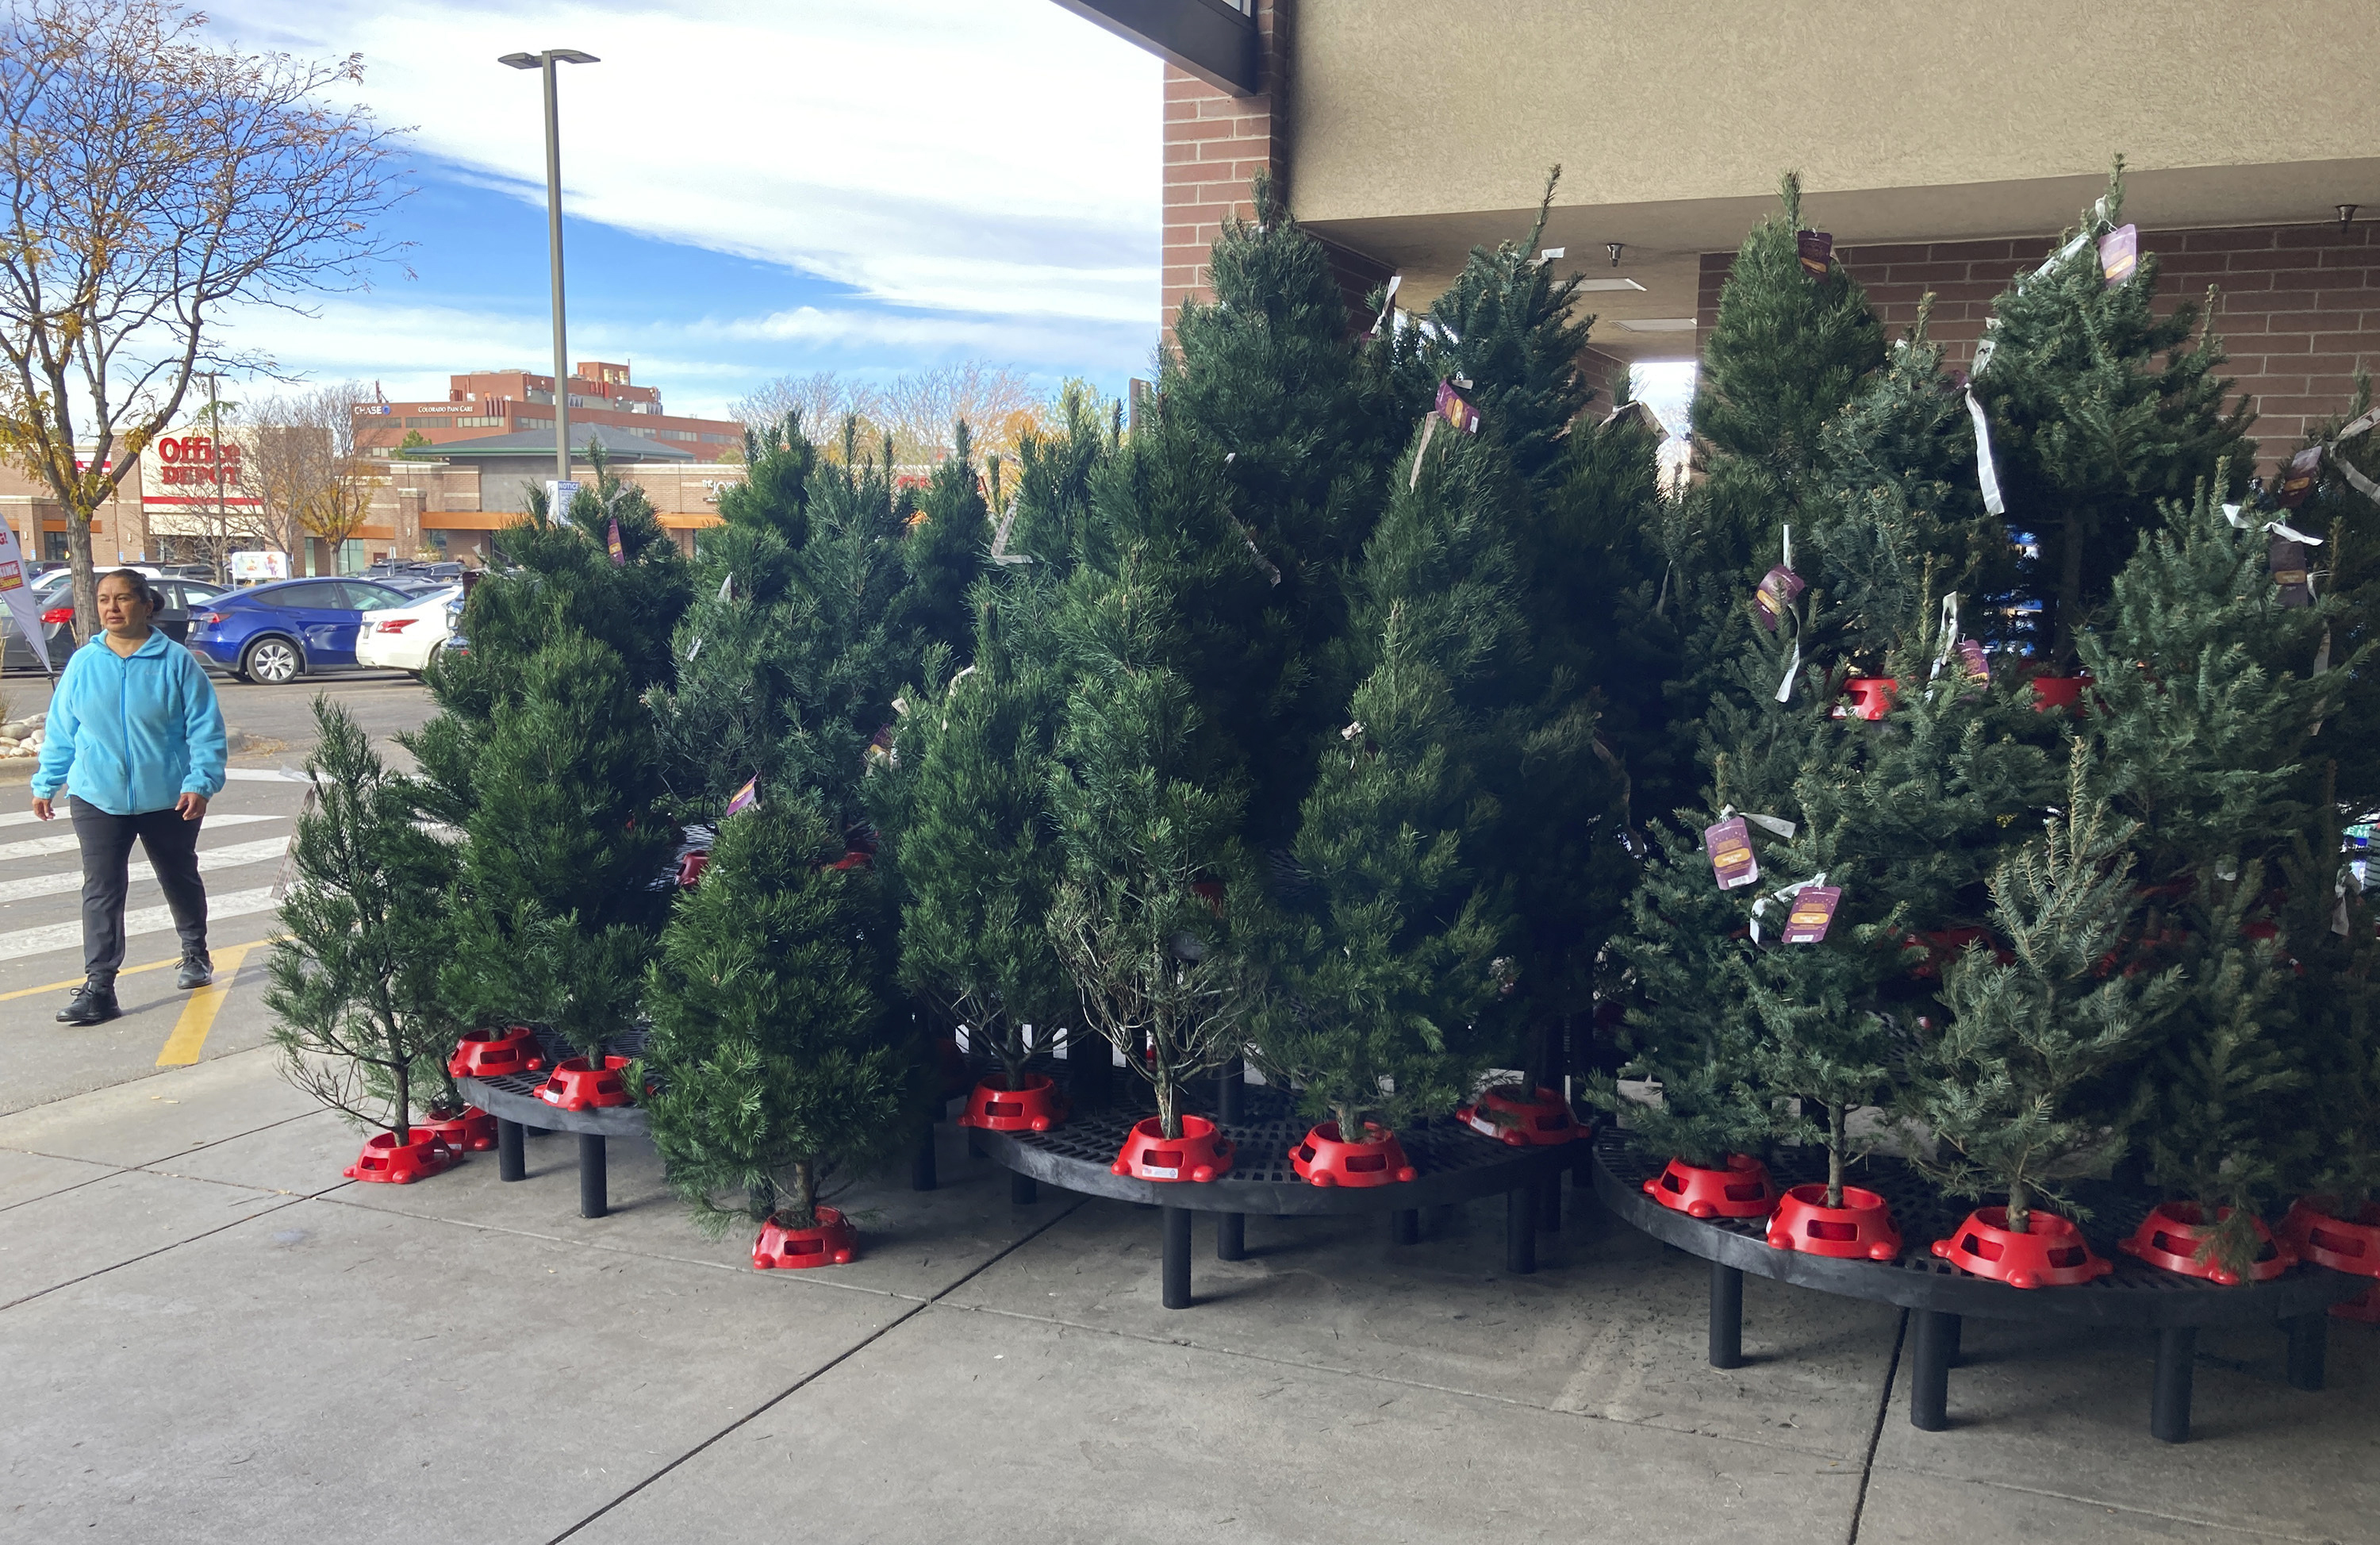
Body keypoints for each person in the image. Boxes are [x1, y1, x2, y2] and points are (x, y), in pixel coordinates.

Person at [30, 569, 228, 1024]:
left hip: (170, 797)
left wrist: (200, 783)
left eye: (122, 599)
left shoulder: (176, 662)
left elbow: (205, 730)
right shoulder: (83, 663)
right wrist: (47, 782)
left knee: (178, 874)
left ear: (146, 604)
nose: (111, 608)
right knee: (102, 888)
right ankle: (100, 986)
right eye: (104, 600)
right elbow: (63, 730)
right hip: (97, 795)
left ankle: (195, 953)